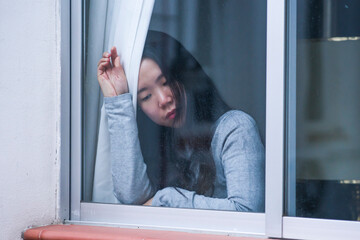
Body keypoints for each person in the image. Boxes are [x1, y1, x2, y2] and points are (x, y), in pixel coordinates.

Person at [97, 31, 265, 211]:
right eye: (146, 96)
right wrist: (118, 100)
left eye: (166, 82)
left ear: (183, 76)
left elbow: (246, 210)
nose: (164, 99)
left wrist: (166, 199)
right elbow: (132, 197)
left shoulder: (236, 129)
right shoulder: (165, 145)